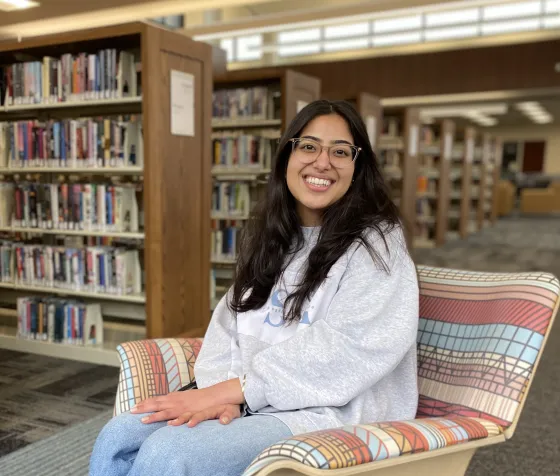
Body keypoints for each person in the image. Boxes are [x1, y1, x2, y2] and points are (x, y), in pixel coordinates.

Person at [89, 100, 420, 476]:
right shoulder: (273, 238)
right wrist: (218, 395)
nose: (322, 162)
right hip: (253, 398)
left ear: (358, 168)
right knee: (117, 438)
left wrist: (234, 393)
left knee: (169, 454)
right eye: (308, 146)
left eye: (340, 152)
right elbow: (228, 327)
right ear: (286, 156)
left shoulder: (377, 246)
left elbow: (346, 352)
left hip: (329, 411)